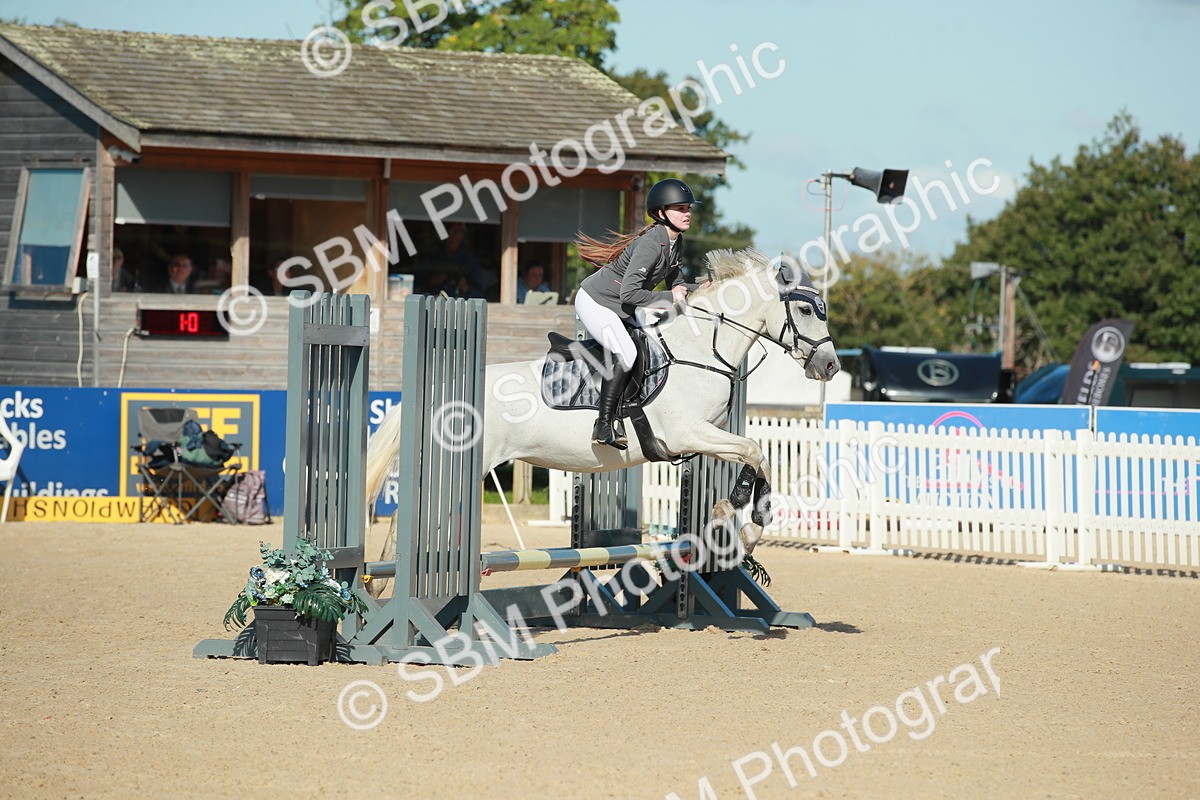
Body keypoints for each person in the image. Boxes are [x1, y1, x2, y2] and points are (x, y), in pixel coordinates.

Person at [574, 178, 705, 450]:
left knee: (654, 347)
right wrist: (672, 297)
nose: (687, 213)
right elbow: (630, 294)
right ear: (661, 213)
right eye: (679, 208)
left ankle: (630, 407)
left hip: (620, 305)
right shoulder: (650, 244)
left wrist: (704, 288)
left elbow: (676, 285)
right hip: (597, 301)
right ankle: (602, 425)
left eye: (688, 207)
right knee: (628, 353)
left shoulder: (674, 242)